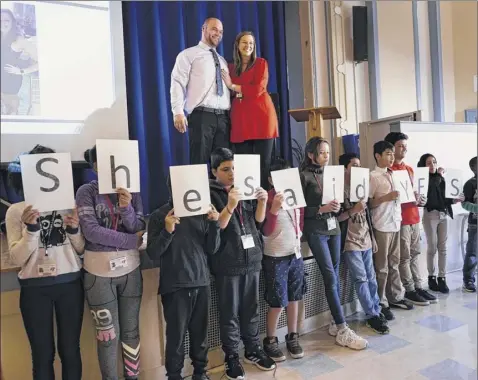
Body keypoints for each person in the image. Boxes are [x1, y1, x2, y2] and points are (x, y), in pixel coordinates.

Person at [5, 145, 84, 380]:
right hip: (34, 289)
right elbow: (16, 258)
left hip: (70, 285)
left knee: (70, 351)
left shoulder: (68, 204)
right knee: (42, 355)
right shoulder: (17, 211)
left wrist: (74, 229)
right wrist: (31, 230)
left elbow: (79, 249)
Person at [76, 146, 146, 380]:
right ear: (95, 166)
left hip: (131, 270)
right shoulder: (86, 191)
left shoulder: (132, 191)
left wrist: (126, 209)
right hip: (99, 273)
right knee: (107, 336)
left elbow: (139, 226)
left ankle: (132, 377)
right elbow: (92, 232)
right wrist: (131, 241)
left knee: (131, 332)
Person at [209, 147, 275, 380]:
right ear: (214, 171)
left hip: (252, 259)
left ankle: (253, 349)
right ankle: (232, 357)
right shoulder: (210, 193)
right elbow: (216, 228)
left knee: (251, 310)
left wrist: (262, 202)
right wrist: (229, 205)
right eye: (226, 169)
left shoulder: (245, 187)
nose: (232, 173)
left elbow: (257, 223)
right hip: (227, 262)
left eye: (234, 168)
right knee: (229, 314)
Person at [146, 176, 221, 380]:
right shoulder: (159, 215)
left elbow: (212, 249)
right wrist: (167, 231)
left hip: (202, 281)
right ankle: (174, 375)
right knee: (176, 338)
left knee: (200, 335)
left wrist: (214, 223)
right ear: (172, 188)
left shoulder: (202, 213)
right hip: (175, 286)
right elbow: (152, 252)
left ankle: (200, 372)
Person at [300, 137, 367, 350]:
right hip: (316, 230)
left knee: (335, 275)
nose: (326, 156)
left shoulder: (333, 175)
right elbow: (298, 209)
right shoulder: (303, 176)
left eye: (328, 153)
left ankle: (334, 322)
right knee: (329, 275)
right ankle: (342, 327)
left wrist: (339, 207)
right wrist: (320, 209)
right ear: (311, 154)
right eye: (322, 153)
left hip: (334, 228)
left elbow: (337, 206)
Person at [337, 153, 389, 334]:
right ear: (345, 168)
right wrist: (353, 209)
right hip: (350, 241)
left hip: (366, 238)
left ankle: (376, 308)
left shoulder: (361, 187)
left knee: (372, 276)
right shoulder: (338, 189)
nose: (358, 169)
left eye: (360, 165)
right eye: (354, 165)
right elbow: (338, 218)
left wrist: (373, 238)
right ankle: (371, 314)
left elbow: (367, 216)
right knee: (361, 278)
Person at [221, 31, 278, 190]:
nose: (248, 46)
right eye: (244, 42)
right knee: (243, 166)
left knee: (263, 164)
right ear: (237, 45)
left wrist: (234, 86)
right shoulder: (230, 67)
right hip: (240, 119)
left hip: (262, 118)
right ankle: (246, 208)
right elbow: (231, 92)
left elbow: (258, 89)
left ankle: (263, 209)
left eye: (251, 43)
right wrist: (240, 90)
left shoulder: (260, 63)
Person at [384, 132, 437, 306]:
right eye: (400, 145)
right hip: (401, 219)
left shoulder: (409, 169)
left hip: (415, 216)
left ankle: (418, 286)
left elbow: (415, 192)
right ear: (391, 148)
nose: (404, 148)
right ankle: (409, 289)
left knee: (415, 253)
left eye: (405, 145)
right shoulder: (389, 171)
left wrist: (421, 199)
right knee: (404, 257)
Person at [261, 158, 305, 362]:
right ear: (271, 179)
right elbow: (266, 231)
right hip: (275, 256)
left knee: (295, 296)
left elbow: (300, 218)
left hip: (294, 252)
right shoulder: (268, 199)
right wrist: (274, 209)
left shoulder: (295, 195)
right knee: (278, 300)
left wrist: (299, 235)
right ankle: (270, 339)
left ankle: (292, 336)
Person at [170, 17, 231, 165]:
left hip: (223, 118)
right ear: (203, 29)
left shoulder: (222, 61)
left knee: (224, 166)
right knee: (200, 164)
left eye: (221, 31)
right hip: (202, 117)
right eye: (214, 29)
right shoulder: (188, 54)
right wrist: (177, 111)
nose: (218, 34)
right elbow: (177, 82)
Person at [369, 141, 411, 321]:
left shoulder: (395, 174)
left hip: (396, 223)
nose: (392, 157)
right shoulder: (372, 177)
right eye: (388, 153)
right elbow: (368, 203)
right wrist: (387, 197)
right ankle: (381, 301)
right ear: (378, 156)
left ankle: (395, 296)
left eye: (392, 153)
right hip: (381, 225)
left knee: (395, 262)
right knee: (382, 267)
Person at [417, 154, 463, 293]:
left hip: (443, 215)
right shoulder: (423, 180)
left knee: (443, 248)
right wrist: (440, 175)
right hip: (430, 215)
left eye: (434, 162)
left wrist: (454, 201)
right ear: (423, 165)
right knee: (432, 247)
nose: (433, 165)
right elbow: (430, 190)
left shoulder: (441, 179)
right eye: (429, 163)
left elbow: (445, 197)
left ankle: (442, 277)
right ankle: (431, 277)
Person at [1, 9, 39, 115]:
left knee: (10, 121)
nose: (2, 23)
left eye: (6, 20)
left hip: (10, 90)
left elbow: (41, 61)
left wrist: (21, 71)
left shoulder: (19, 41)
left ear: (12, 22)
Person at [462, 156, 478, 293]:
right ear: (473, 168)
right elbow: (464, 203)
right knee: (472, 253)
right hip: (475, 223)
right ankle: (468, 280)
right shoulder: (470, 184)